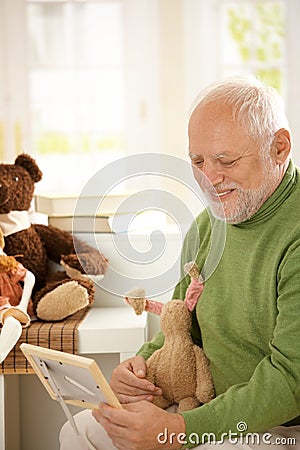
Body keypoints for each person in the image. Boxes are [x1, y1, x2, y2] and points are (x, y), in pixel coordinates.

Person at [59, 76, 300, 449]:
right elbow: (179, 328)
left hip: (279, 424)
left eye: (226, 160)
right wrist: (138, 369)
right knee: (78, 432)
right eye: (197, 160)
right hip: (201, 405)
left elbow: (290, 380)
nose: (210, 178)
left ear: (279, 147)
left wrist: (179, 430)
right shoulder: (206, 227)